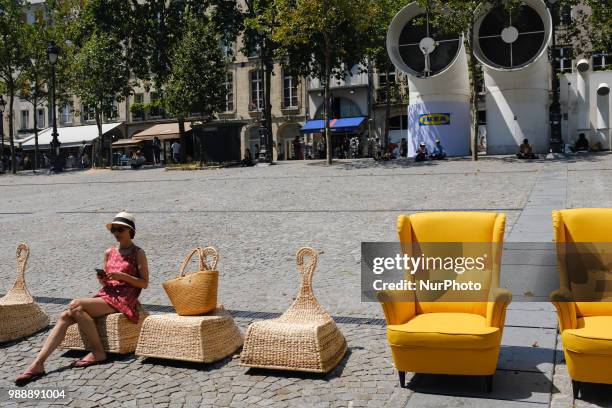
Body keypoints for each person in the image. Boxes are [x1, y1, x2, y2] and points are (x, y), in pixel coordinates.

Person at [14, 212, 149, 386]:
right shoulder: (109, 252)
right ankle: (38, 363)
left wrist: (123, 276)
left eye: (120, 229)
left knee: (75, 304)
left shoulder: (138, 253)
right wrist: (103, 279)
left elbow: (144, 283)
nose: (116, 233)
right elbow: (106, 280)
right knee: (66, 316)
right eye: (113, 229)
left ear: (130, 230)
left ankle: (98, 351)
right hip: (107, 294)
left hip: (124, 298)